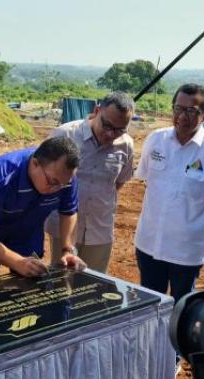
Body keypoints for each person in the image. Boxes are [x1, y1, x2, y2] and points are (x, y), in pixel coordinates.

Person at [134, 83, 204, 304]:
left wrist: (201, 219)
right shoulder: (156, 140)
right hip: (149, 243)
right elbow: (146, 181)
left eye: (192, 111)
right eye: (178, 108)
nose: (183, 116)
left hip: (187, 251)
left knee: (182, 309)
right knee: (151, 305)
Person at [45, 92, 134, 273]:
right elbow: (45, 177)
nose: (111, 134)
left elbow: (117, 183)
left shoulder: (126, 145)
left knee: (95, 285)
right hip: (63, 229)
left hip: (100, 228)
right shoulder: (65, 135)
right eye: (107, 125)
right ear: (97, 111)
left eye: (119, 129)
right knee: (61, 283)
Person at [0, 136, 86, 278]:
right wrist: (17, 262)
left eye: (63, 185)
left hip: (28, 236)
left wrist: (68, 249)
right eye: (52, 182)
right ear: (35, 163)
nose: (56, 189)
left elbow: (69, 212)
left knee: (31, 284)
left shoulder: (63, 178)